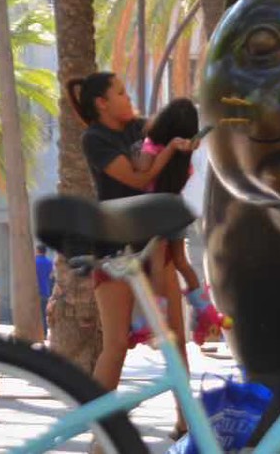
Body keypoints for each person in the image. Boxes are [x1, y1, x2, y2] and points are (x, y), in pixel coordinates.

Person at [65, 73, 193, 399]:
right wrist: (170, 151)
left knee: (175, 337)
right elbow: (138, 178)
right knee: (117, 344)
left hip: (154, 241)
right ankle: (100, 435)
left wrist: (187, 138)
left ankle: (188, 425)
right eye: (121, 93)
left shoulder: (140, 128)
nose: (129, 97)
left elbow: (168, 134)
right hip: (114, 249)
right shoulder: (94, 139)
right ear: (102, 103)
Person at [133, 98, 227, 345]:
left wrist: (167, 150)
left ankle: (153, 321)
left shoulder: (153, 147)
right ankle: (206, 312)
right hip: (176, 209)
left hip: (154, 211)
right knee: (181, 262)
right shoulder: (186, 155)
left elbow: (143, 173)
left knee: (156, 266)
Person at [35, 245, 53, 333]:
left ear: (38, 251)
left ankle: (36, 332)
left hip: (35, 291)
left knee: (34, 313)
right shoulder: (49, 262)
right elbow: (51, 276)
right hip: (45, 291)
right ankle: (44, 333)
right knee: (43, 314)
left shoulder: (34, 262)